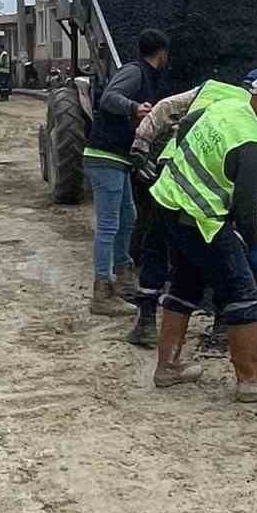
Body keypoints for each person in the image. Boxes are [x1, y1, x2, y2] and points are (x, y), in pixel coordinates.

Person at [149, 72, 257, 403]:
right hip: (197, 215)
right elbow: (247, 209)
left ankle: (168, 367)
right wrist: (255, 247)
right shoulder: (254, 144)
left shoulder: (228, 105)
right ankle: (252, 379)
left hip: (168, 198)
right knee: (241, 289)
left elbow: (188, 123)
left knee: (186, 283)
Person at [125, 69, 257, 348]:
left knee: (158, 248)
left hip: (171, 175)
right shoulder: (250, 115)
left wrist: (141, 145)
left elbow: (167, 108)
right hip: (197, 186)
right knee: (215, 256)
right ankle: (221, 324)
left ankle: (145, 322)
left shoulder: (213, 89)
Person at [83, 28, 170, 316]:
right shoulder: (135, 72)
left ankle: (123, 277)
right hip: (104, 155)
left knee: (128, 216)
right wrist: (134, 108)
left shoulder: (148, 77)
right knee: (108, 224)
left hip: (117, 159)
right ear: (162, 54)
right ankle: (102, 291)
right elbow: (109, 98)